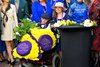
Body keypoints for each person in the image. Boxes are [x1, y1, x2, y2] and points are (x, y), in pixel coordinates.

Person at [1, 0, 18, 66]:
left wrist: (16, 28)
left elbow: (15, 17)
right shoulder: (0, 7)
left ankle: (9, 58)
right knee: (7, 43)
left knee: (11, 43)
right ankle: (12, 59)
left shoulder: (12, 6)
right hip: (4, 27)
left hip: (11, 26)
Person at [88, 0, 100, 66]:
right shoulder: (91, 2)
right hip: (93, 26)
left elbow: (96, 15)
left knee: (96, 45)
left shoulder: (97, 2)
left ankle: (97, 62)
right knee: (94, 45)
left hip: (97, 26)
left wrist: (89, 19)